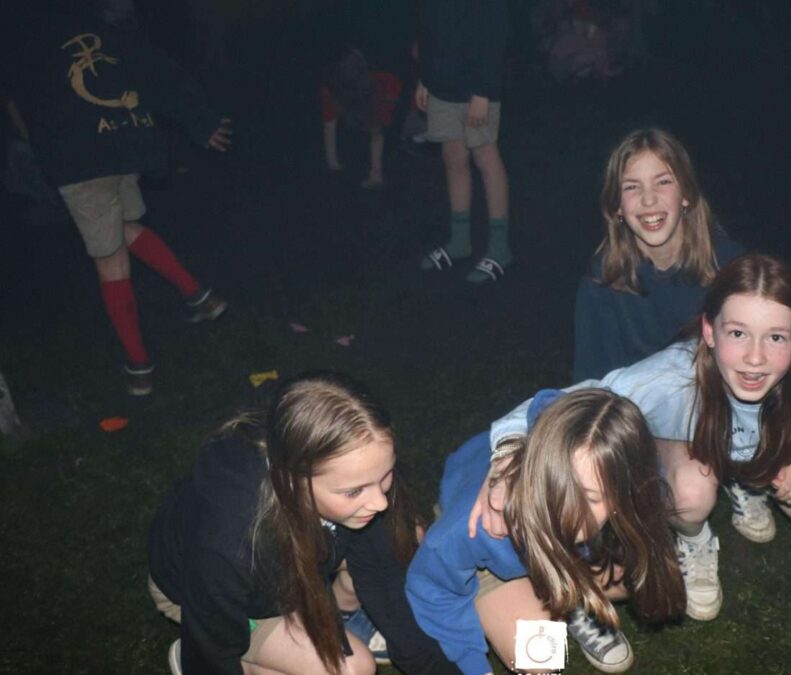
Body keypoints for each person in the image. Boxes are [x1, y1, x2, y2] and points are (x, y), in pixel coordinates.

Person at [477, 254, 791, 623]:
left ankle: (750, 483)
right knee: (691, 490)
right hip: (694, 454)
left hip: (766, 456)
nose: (755, 358)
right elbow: (567, 403)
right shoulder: (671, 378)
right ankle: (694, 537)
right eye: (738, 333)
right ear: (710, 331)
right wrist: (506, 460)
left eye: (775, 338)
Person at [147, 372, 457, 675]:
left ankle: (343, 621)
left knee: (406, 538)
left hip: (292, 569)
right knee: (353, 669)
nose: (380, 502)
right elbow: (213, 648)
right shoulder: (231, 545)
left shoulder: (359, 473)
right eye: (354, 491)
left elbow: (385, 578)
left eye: (385, 475)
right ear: (293, 480)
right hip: (211, 603)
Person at [6, 8, 231, 395]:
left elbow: (21, 103)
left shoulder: (29, 44)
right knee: (123, 227)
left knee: (109, 258)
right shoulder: (103, 30)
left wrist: (200, 121)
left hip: (82, 162)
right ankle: (199, 296)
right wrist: (200, 121)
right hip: (125, 149)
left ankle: (139, 365)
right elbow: (160, 71)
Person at [407, 389, 685, 675]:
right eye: (559, 487)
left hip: (561, 553)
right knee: (540, 656)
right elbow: (433, 590)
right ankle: (555, 598)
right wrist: (474, 667)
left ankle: (569, 602)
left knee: (633, 574)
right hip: (491, 562)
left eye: (590, 498)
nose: (567, 511)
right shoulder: (481, 525)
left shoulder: (629, 478)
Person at [574, 128, 760, 543]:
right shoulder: (602, 281)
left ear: (686, 194)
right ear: (617, 206)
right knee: (691, 494)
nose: (648, 200)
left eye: (663, 182)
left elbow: (772, 350)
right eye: (632, 187)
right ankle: (695, 539)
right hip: (650, 418)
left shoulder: (730, 265)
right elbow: (593, 385)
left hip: (726, 407)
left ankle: (741, 468)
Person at [415, 0, 513, 284]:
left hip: (477, 85)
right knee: (453, 157)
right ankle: (459, 242)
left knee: (485, 157)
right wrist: (424, 78)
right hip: (442, 84)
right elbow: (429, 27)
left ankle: (500, 248)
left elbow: (495, 33)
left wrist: (483, 91)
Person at [320, 46, 402, 190]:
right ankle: (374, 174)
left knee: (377, 127)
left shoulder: (381, 83)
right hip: (374, 100)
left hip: (380, 103)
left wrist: (332, 161)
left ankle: (375, 174)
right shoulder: (382, 81)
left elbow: (329, 124)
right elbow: (329, 122)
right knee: (376, 128)